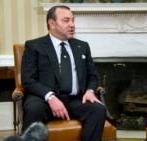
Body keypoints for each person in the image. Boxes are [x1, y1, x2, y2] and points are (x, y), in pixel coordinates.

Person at [21, 5, 106, 141]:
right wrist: (50, 97)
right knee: (34, 109)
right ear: (52, 23)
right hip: (43, 100)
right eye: (66, 21)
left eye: (73, 20)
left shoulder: (82, 46)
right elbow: (28, 80)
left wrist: (90, 91)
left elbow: (92, 76)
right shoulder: (34, 46)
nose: (72, 25)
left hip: (74, 100)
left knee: (98, 109)